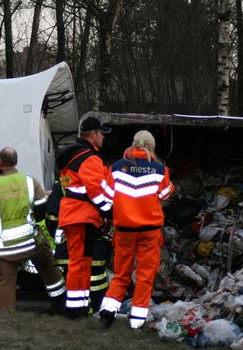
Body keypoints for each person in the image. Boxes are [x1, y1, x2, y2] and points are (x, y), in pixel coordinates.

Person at [99, 130, 174, 329]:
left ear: (133, 144)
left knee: (121, 273)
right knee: (144, 274)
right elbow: (166, 193)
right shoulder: (159, 169)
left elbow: (106, 194)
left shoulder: (116, 167)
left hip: (124, 229)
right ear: (151, 146)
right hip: (149, 231)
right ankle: (137, 320)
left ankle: (109, 308)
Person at [0, 147, 65, 310]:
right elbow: (41, 211)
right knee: (48, 264)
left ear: (0, 163)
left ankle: (6, 317)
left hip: (4, 250)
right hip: (31, 242)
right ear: (16, 162)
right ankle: (61, 302)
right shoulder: (30, 181)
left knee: (4, 284)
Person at [55, 112, 113, 318]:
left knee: (82, 262)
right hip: (81, 216)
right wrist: (109, 211)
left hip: (75, 215)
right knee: (79, 262)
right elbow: (95, 190)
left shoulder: (73, 158)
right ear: (93, 134)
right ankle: (74, 309)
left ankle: (78, 307)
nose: (104, 137)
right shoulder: (90, 158)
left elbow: (72, 188)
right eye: (102, 133)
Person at [44, 179, 111, 314]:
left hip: (70, 243)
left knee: (73, 275)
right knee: (96, 277)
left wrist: (62, 235)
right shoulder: (100, 182)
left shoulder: (63, 184)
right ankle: (95, 309)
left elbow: (51, 217)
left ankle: (76, 309)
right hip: (97, 243)